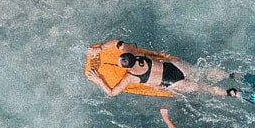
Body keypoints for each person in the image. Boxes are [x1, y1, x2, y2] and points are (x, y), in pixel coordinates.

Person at [84, 39, 239, 98]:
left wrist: (99, 80)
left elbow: (112, 93)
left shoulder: (130, 77)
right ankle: (234, 75)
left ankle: (231, 92)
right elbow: (117, 42)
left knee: (205, 88)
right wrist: (101, 48)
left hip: (171, 83)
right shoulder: (134, 52)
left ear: (125, 67)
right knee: (204, 72)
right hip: (175, 67)